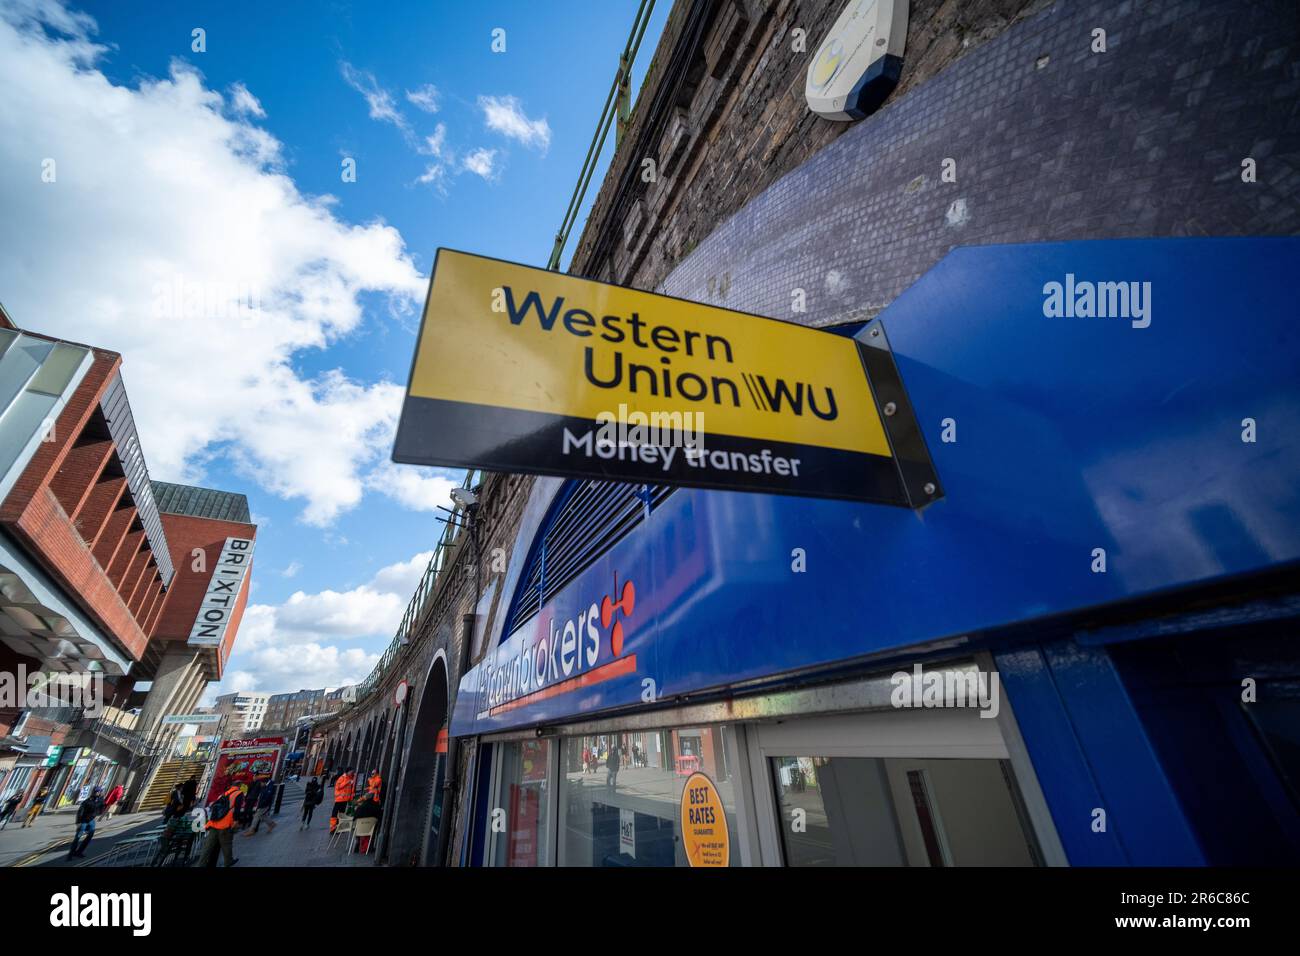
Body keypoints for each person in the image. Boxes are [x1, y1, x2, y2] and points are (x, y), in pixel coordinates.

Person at [200, 782, 244, 867]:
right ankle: (228, 861)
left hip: (214, 823)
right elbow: (237, 808)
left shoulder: (223, 794)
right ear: (239, 786)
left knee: (208, 847)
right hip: (225, 824)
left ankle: (201, 864)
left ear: (231, 786)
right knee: (226, 844)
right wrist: (236, 821)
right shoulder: (239, 793)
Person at [67, 787, 104, 859]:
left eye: (99, 792)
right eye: (96, 792)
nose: (98, 793)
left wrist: (98, 813)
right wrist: (78, 822)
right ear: (93, 792)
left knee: (90, 836)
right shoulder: (87, 801)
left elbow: (101, 808)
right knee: (78, 837)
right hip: (83, 820)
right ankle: (71, 854)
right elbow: (80, 812)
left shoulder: (100, 800)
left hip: (91, 821)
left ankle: (79, 852)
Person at [329, 768, 355, 834]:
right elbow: (338, 787)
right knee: (335, 813)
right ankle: (333, 828)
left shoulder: (350, 778)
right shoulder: (342, 778)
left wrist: (350, 797)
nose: (351, 773)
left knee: (341, 814)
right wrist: (347, 783)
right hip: (339, 799)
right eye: (350, 772)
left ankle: (339, 827)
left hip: (345, 799)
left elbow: (350, 790)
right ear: (347, 772)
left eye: (352, 772)